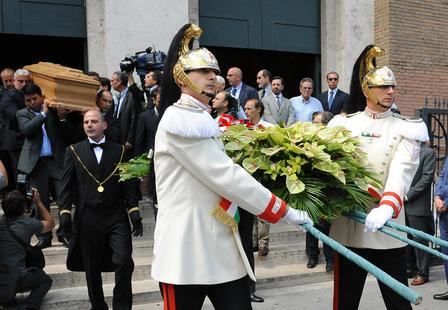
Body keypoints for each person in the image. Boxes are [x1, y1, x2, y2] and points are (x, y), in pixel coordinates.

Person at [152, 23, 312, 310]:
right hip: (186, 251)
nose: (212, 77)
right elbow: (224, 175)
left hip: (221, 245)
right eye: (204, 72)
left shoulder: (203, 118)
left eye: (214, 72)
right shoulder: (179, 120)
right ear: (182, 78)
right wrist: (282, 209)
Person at [328, 45, 428, 309]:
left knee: (398, 302)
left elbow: (402, 169)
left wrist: (387, 205)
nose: (391, 92)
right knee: (345, 302)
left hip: (387, 227)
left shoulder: (408, 128)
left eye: (392, 86)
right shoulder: (343, 124)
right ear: (366, 90)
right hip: (349, 225)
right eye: (383, 87)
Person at [58, 109, 143, 310]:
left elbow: (128, 186)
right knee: (91, 266)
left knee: (123, 261)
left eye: (94, 121)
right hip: (88, 217)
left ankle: (121, 306)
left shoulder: (120, 151)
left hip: (116, 216)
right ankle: (98, 306)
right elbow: (66, 187)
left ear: (104, 125)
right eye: (86, 121)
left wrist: (134, 212)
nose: (89, 125)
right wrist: (64, 215)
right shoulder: (73, 151)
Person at [16, 83, 72, 249]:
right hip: (36, 164)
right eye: (28, 100)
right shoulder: (22, 114)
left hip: (57, 161)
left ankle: (65, 233)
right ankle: (44, 236)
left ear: (42, 96)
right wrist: (42, 114)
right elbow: (27, 129)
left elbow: (67, 133)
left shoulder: (54, 110)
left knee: (64, 198)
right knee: (39, 202)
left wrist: (62, 117)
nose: (32, 102)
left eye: (35, 98)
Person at [0, 189, 54, 309]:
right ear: (23, 207)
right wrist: (38, 202)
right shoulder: (28, 224)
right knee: (45, 280)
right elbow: (50, 224)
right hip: (15, 278)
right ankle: (29, 306)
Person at [404, 142, 436, 286]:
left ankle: (423, 273)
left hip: (417, 204)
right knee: (407, 239)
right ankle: (410, 268)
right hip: (401, 204)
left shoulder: (428, 153)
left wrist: (407, 195)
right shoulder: (403, 151)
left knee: (420, 241)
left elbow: (426, 179)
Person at [433, 157, 448, 300]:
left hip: (446, 206)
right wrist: (437, 196)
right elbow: (442, 176)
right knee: (446, 253)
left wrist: (446, 203)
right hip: (444, 213)